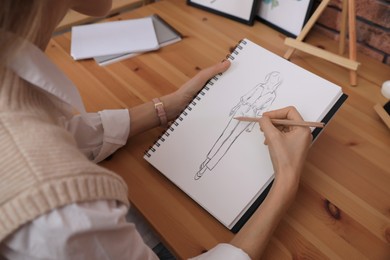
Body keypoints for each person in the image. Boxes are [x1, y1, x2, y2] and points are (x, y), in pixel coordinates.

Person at [0, 1, 312, 259]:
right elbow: (35, 159)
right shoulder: (56, 210)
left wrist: (165, 107)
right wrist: (286, 181)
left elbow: (55, 133)